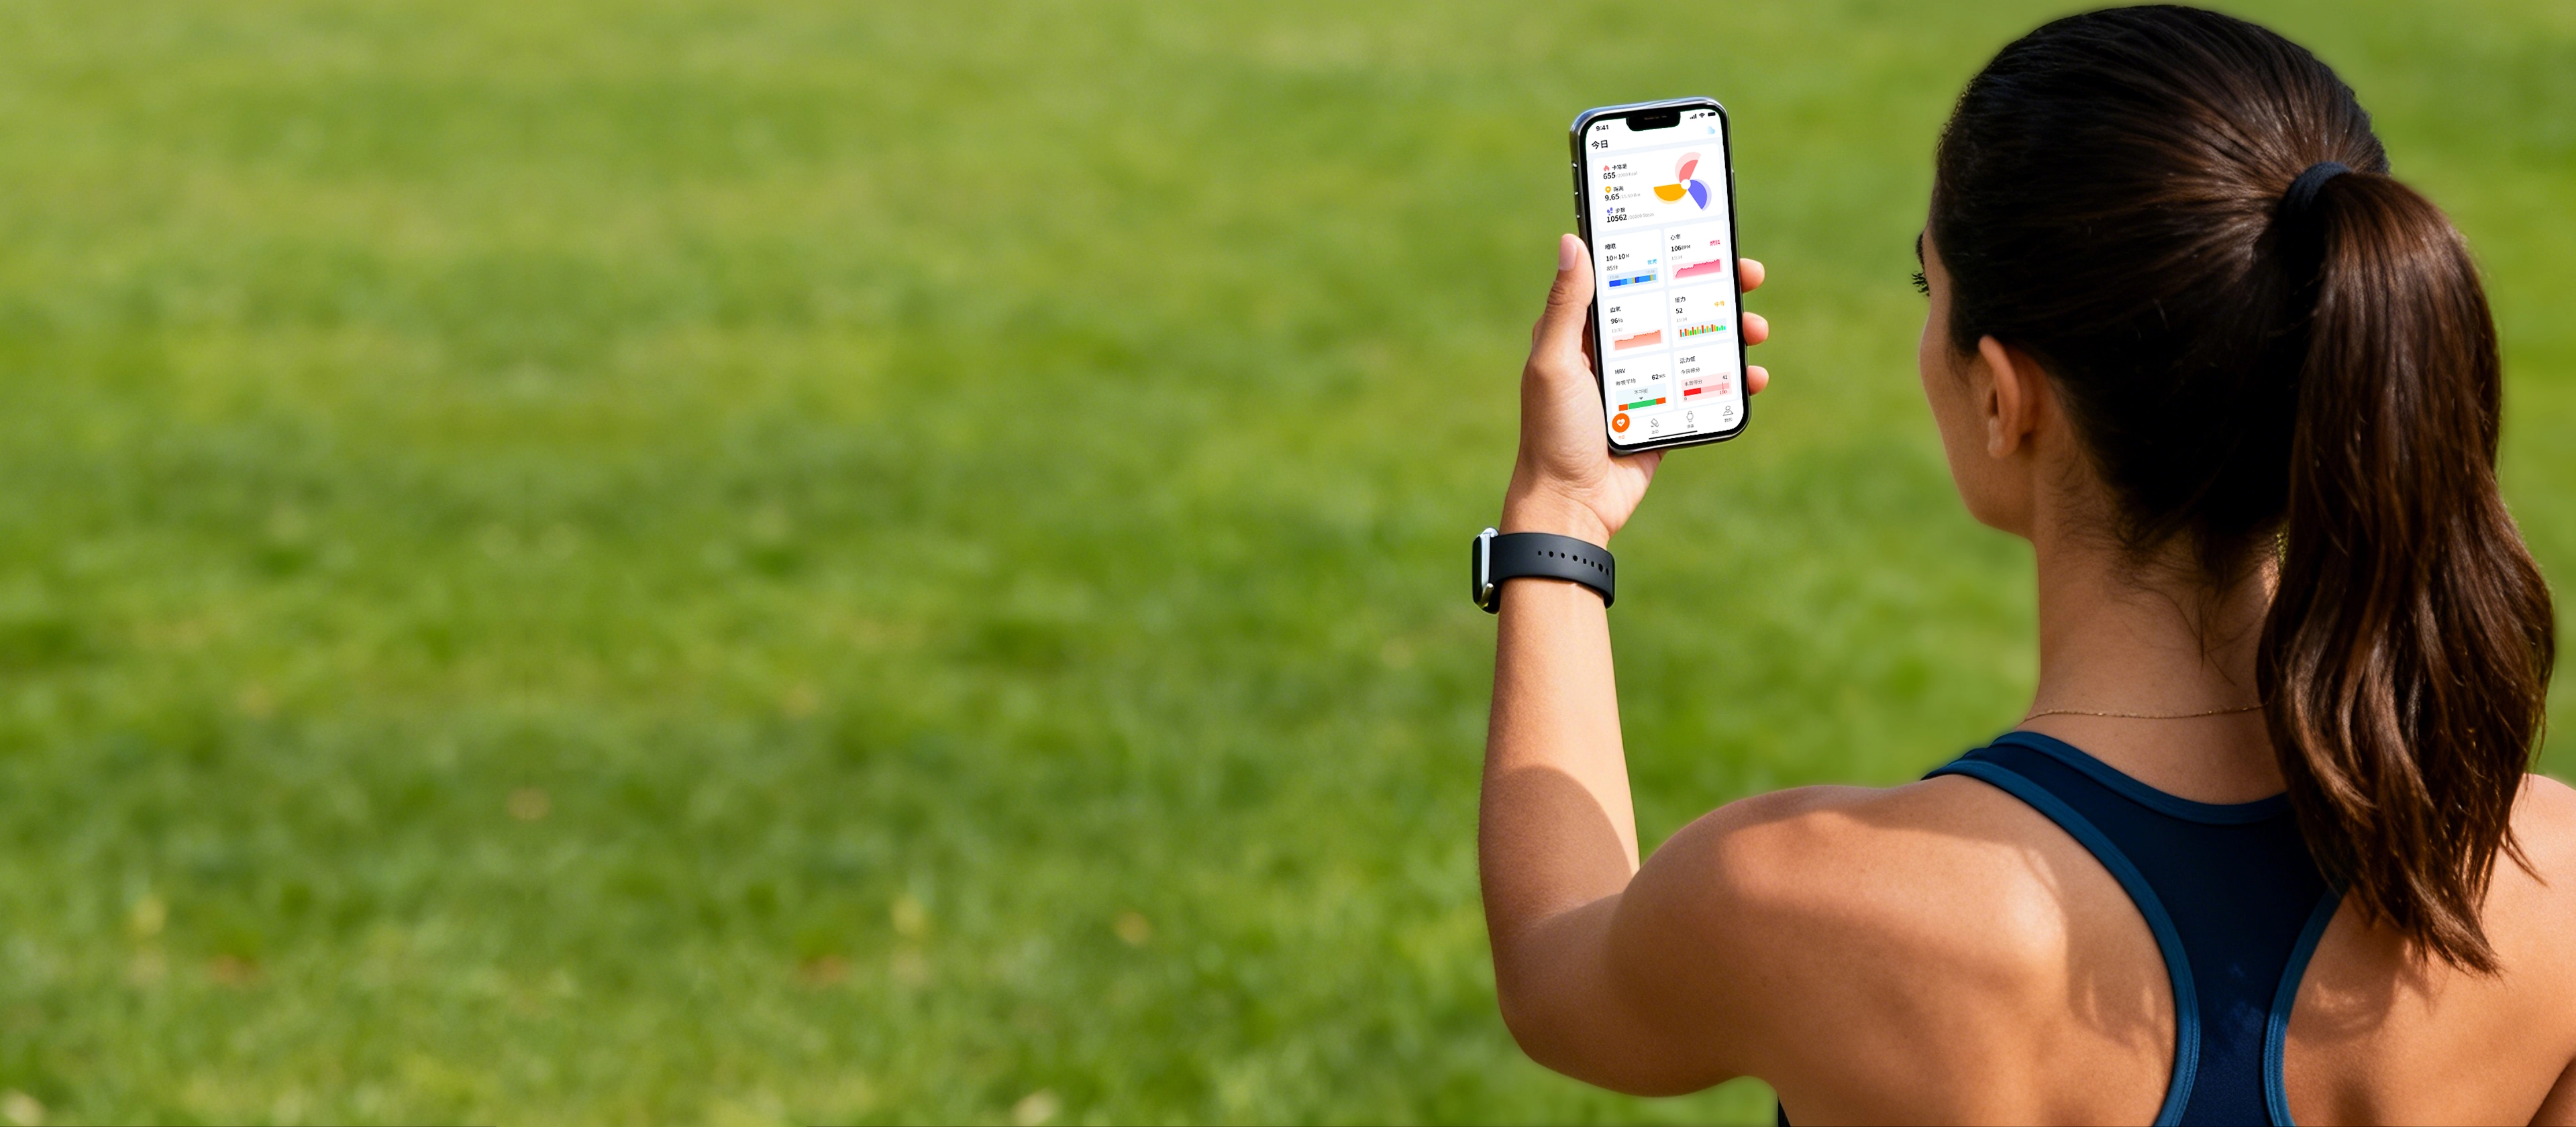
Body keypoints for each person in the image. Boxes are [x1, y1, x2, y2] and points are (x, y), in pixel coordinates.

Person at [1479, 7, 2575, 1123]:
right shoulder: (2553, 886)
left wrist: (1560, 511)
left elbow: (1553, 973)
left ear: (2005, 398)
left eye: (1930, 289)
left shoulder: (1807, 898)